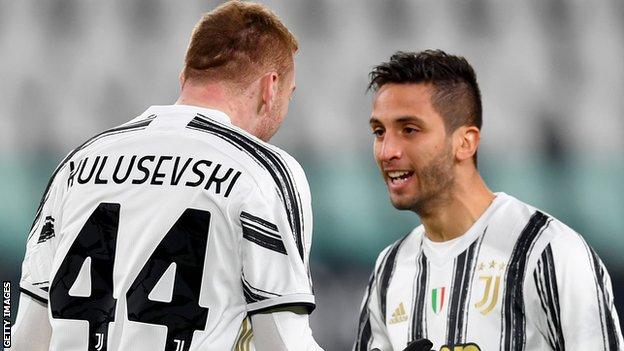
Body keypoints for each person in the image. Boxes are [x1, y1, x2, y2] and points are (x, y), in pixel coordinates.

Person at [11, 1, 324, 350]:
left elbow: (26, 336)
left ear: (184, 79)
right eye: (288, 96)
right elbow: (282, 340)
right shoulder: (262, 172)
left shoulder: (77, 164)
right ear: (270, 88)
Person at [354, 50, 623, 351]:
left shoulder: (548, 252)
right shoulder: (390, 269)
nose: (387, 150)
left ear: (465, 142)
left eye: (410, 130)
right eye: (379, 132)